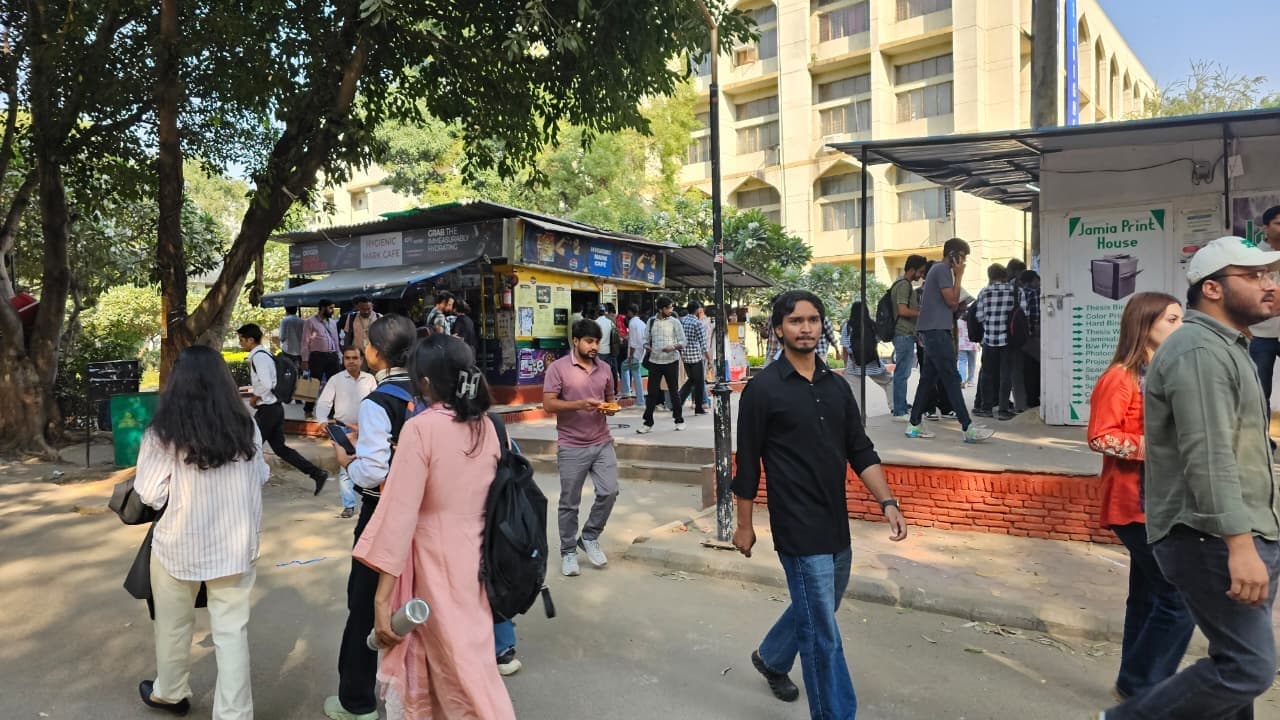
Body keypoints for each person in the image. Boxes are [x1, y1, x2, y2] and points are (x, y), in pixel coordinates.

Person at [1101, 236, 1280, 720]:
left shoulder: (1230, 346)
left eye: (1270, 275)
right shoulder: (1198, 350)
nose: (1268, 284)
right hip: (1208, 535)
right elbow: (1208, 454)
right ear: (1213, 288)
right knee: (1247, 668)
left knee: (1233, 663)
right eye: (1254, 276)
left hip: (1235, 529)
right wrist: (1240, 545)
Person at [732, 290, 907, 719]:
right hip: (797, 525)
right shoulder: (762, 390)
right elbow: (748, 464)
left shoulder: (836, 386)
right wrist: (744, 524)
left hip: (835, 522)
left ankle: (773, 657)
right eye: (795, 321)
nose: (806, 328)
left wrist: (887, 501)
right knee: (822, 633)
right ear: (778, 329)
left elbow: (860, 449)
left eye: (812, 320)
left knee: (820, 607)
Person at [353, 334, 516, 720]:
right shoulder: (489, 425)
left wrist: (381, 600)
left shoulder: (421, 429)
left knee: (459, 671)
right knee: (467, 659)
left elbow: (399, 517)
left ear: (424, 382)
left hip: (432, 562)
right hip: (478, 561)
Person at [134, 345, 269, 720]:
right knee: (231, 632)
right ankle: (234, 714)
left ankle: (170, 692)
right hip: (236, 547)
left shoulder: (162, 433)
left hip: (179, 544)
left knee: (173, 625)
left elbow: (149, 494)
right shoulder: (247, 425)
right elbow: (261, 475)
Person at [1087, 292, 1194, 703]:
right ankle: (1142, 684)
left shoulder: (1165, 371)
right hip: (1134, 502)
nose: (1180, 327)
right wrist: (1159, 447)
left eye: (1181, 319)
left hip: (1162, 501)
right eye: (1171, 320)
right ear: (1145, 325)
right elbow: (1100, 436)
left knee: (1148, 596)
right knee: (1178, 597)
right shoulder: (1121, 376)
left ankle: (1133, 683)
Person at [324, 315, 419, 720]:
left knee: (364, 604)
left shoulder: (378, 401)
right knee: (420, 600)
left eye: (366, 343)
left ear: (377, 353)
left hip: (382, 513)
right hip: (426, 514)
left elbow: (374, 470)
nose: (362, 349)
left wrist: (349, 460)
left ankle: (356, 701)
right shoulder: (431, 391)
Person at [542, 318, 621, 577]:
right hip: (571, 445)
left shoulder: (605, 369)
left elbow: (610, 399)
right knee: (569, 503)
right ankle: (568, 551)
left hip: (602, 441)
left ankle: (589, 536)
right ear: (575, 341)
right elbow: (548, 404)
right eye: (589, 341)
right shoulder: (558, 368)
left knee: (609, 491)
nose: (594, 346)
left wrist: (610, 408)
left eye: (597, 342)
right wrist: (579, 404)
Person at [904, 238, 994, 443]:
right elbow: (952, 301)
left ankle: (914, 424)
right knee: (952, 378)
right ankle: (968, 428)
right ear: (952, 255)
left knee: (928, 380)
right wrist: (959, 276)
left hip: (934, 331)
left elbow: (951, 304)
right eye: (962, 257)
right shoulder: (942, 270)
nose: (963, 262)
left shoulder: (939, 271)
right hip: (937, 332)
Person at [237, 323, 329, 495]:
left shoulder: (258, 357)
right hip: (275, 408)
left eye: (242, 339)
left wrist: (255, 397)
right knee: (280, 449)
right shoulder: (265, 354)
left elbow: (266, 384)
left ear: (250, 340)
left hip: (268, 410)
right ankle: (317, 473)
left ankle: (243, 485)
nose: (240, 343)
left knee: (250, 446)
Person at [315, 347, 377, 519]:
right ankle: (349, 505)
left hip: (365, 429)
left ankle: (371, 503)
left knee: (370, 465)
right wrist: (322, 420)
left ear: (361, 360)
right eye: (347, 358)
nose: (351, 361)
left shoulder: (370, 379)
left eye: (355, 358)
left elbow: (376, 402)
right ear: (343, 360)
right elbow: (324, 402)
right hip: (343, 429)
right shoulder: (336, 379)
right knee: (345, 468)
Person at [1247, 205, 1280, 438]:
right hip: (1261, 334)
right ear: (1265, 227)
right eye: (1278, 223)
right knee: (1260, 391)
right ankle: (1262, 442)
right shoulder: (1252, 258)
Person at [974, 264, 1018, 420]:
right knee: (1006, 374)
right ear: (1005, 275)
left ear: (990, 276)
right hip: (1008, 339)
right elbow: (1023, 313)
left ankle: (986, 408)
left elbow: (979, 316)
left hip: (989, 339)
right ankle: (1003, 409)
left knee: (987, 374)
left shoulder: (984, 292)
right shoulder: (1015, 291)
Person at [640, 296, 686, 433]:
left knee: (674, 391)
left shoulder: (675, 322)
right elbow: (645, 340)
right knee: (652, 393)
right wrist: (646, 346)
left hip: (671, 361)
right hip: (654, 361)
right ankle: (647, 422)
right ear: (661, 309)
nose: (671, 310)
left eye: (671, 307)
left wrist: (673, 347)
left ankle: (679, 420)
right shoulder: (651, 321)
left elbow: (683, 341)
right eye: (669, 308)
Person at [889, 254, 928, 420]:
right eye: (920, 271)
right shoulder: (904, 285)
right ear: (912, 269)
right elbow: (902, 310)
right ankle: (899, 410)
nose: (921, 275)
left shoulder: (900, 283)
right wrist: (921, 313)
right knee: (902, 373)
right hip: (903, 333)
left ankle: (901, 405)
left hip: (904, 333)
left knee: (902, 372)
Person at [841, 299, 894, 408]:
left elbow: (845, 348)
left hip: (854, 366)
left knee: (855, 393)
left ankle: (859, 414)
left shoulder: (848, 326)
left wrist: (846, 365)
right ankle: (894, 406)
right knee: (889, 381)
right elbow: (877, 340)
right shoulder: (872, 325)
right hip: (873, 364)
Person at [302, 300, 342, 416]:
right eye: (330, 308)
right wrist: (305, 359)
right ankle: (308, 409)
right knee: (314, 383)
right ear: (323, 308)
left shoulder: (333, 322)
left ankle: (332, 410)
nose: (332, 311)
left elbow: (336, 340)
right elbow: (305, 342)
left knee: (334, 383)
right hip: (317, 356)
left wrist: (339, 355)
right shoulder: (310, 322)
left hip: (332, 355)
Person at [678, 300, 711, 415]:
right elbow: (703, 344)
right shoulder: (697, 323)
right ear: (697, 310)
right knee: (699, 383)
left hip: (685, 356)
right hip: (696, 357)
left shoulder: (682, 321)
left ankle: (678, 402)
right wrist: (709, 359)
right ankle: (698, 408)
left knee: (692, 380)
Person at [625, 304, 646, 403]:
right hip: (641, 351)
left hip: (634, 353)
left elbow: (633, 343)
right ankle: (638, 397)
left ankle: (630, 393)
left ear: (630, 312)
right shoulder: (642, 323)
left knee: (634, 374)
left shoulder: (632, 323)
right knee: (635, 374)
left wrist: (630, 356)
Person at [956, 312, 977, 389]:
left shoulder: (958, 322)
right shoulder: (973, 321)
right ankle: (970, 381)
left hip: (961, 345)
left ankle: (962, 380)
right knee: (972, 363)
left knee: (962, 362)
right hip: (972, 345)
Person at [280, 306, 304, 370]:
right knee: (299, 371)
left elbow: (281, 337)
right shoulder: (302, 321)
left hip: (287, 351)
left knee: (289, 371)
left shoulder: (284, 321)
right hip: (300, 352)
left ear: (286, 311)